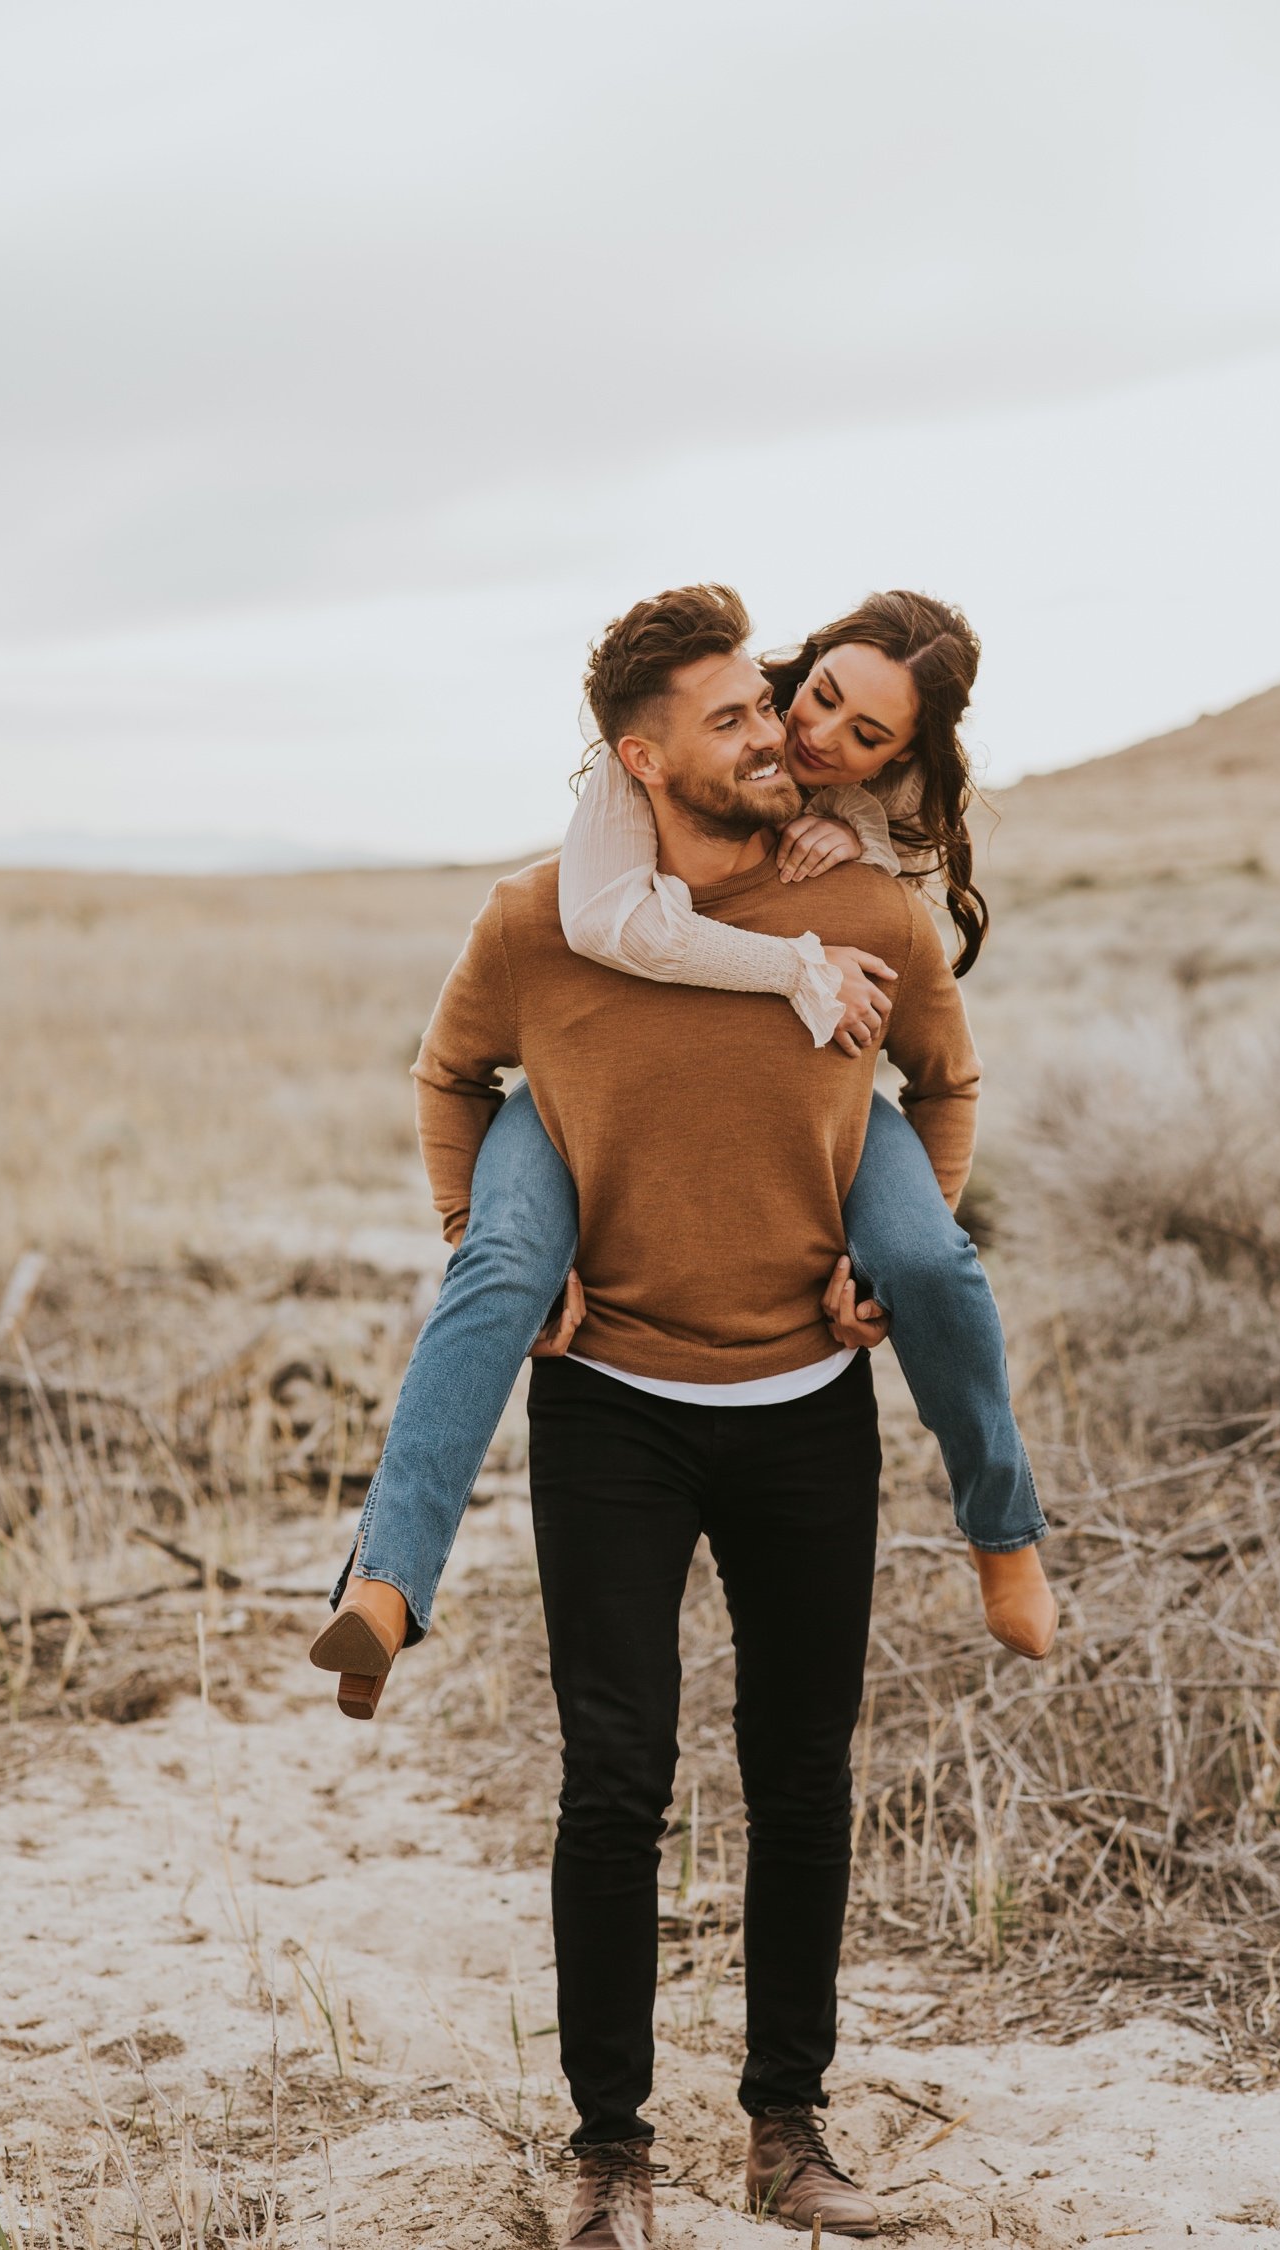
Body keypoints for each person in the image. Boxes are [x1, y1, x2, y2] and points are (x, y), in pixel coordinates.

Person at [388, 583, 1008, 2239]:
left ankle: (787, 2136)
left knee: (802, 1772)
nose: (777, 739)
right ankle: (608, 2153)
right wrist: (493, 1251)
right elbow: (450, 1077)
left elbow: (945, 1078)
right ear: (644, 761)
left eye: (781, 712)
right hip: (613, 1411)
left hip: (811, 1407)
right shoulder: (541, 915)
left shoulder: (865, 900)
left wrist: (903, 1246)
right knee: (616, 1774)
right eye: (737, 718)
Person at [310, 587, 1054, 1722]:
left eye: (868, 741)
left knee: (937, 1261)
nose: (813, 739)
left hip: (831, 1166)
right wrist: (800, 965)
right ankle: (386, 1581)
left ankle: (1004, 1531)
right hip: (577, 1111)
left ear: (901, 755)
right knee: (497, 1269)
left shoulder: (852, 813)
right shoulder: (606, 831)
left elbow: (944, 1070)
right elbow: (615, 931)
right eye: (815, 701)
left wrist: (881, 1268)